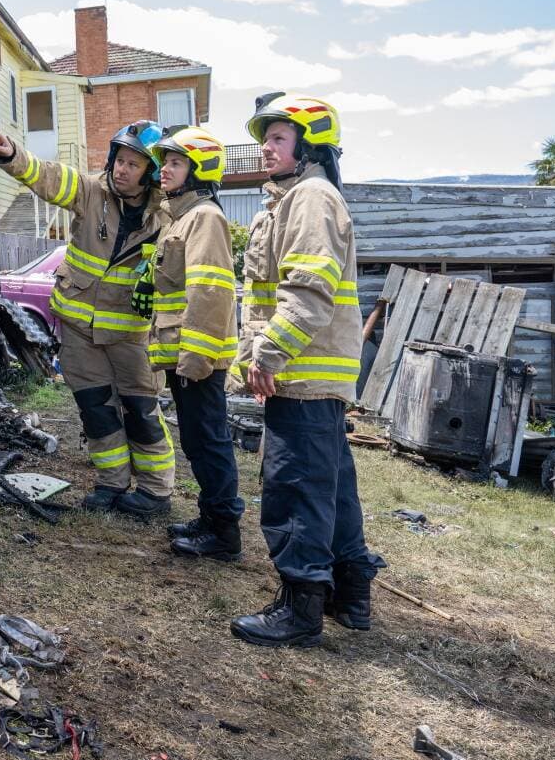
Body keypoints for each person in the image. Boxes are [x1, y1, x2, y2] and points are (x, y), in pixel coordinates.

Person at [228, 93, 385, 648]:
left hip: (301, 373)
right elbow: (266, 296)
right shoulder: (293, 199)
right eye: (264, 138)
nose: (265, 148)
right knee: (333, 488)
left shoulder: (311, 198)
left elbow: (307, 294)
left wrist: (266, 357)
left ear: (308, 144)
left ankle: (300, 608)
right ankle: (351, 593)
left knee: (295, 486)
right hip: (309, 373)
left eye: (277, 138)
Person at [0, 122, 176, 518]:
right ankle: (112, 483)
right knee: (97, 410)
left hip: (130, 335)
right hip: (78, 331)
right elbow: (50, 178)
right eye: (118, 160)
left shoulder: (167, 216)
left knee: (140, 411)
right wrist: (14, 156)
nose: (121, 170)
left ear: (152, 172)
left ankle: (156, 493)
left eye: (133, 164)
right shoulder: (92, 191)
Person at [142, 127, 243, 561]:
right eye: (165, 161)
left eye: (176, 162)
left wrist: (196, 357)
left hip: (197, 357)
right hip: (183, 355)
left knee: (209, 441)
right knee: (198, 442)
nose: (164, 169)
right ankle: (210, 518)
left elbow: (210, 292)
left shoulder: (205, 218)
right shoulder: (181, 216)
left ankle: (224, 534)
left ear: (198, 171)